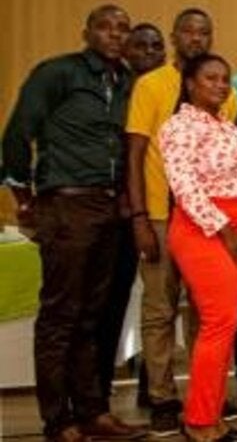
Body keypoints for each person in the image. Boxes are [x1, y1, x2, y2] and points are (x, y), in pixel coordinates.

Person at [2, 4, 144, 442]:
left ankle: (93, 412)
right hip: (65, 202)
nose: (115, 35)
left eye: (123, 29)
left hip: (107, 208)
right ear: (87, 31)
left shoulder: (125, 82)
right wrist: (25, 199)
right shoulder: (57, 73)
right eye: (105, 27)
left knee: (92, 316)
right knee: (60, 316)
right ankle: (58, 420)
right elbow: (16, 135)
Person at [127, 7, 237, 436]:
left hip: (210, 222)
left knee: (206, 313)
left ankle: (202, 396)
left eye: (204, 32)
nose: (196, 38)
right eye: (189, 31)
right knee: (159, 309)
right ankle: (161, 396)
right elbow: (136, 152)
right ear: (175, 36)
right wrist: (139, 215)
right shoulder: (152, 84)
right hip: (161, 214)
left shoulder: (224, 91)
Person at [157, 53, 237, 442]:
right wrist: (223, 228)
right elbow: (185, 187)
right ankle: (198, 422)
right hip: (203, 228)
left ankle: (213, 416)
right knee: (220, 323)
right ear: (190, 84)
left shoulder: (227, 127)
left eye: (225, 79)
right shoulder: (179, 127)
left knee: (226, 325)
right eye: (210, 78)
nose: (220, 85)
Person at [95, 21, 164, 404]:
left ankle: (150, 390)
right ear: (126, 52)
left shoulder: (171, 91)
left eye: (156, 46)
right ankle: (98, 392)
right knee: (111, 304)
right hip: (116, 216)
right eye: (140, 45)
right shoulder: (115, 92)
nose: (149, 52)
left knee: (158, 306)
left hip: (158, 215)